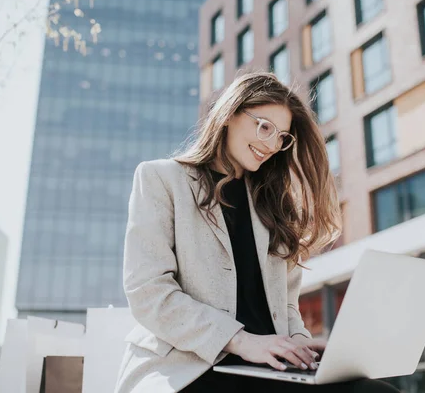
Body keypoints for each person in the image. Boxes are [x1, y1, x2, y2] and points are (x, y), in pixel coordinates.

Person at [114, 72, 400, 393]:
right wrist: (240, 341)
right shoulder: (162, 179)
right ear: (229, 115)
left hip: (269, 368)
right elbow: (149, 292)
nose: (271, 144)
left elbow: (287, 305)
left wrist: (300, 345)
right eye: (264, 126)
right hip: (189, 366)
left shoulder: (273, 204)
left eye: (282, 137)